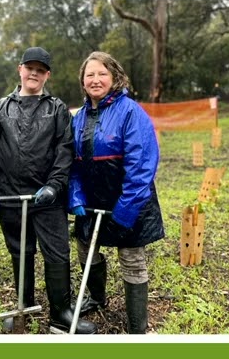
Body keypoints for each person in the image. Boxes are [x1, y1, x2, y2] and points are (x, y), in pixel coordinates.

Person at [0, 48, 95, 334]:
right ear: (20, 70)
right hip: (11, 197)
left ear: (47, 75)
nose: (34, 73)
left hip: (47, 198)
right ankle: (23, 306)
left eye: (40, 70)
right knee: (20, 252)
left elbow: (65, 149)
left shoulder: (56, 109)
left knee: (56, 253)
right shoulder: (0, 108)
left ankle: (61, 313)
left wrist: (54, 185)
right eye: (29, 68)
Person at [69, 51, 163, 334]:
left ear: (114, 77)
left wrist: (125, 210)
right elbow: (72, 163)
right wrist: (76, 196)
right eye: (90, 75)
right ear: (83, 81)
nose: (95, 79)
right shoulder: (78, 117)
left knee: (131, 259)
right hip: (91, 201)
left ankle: (137, 324)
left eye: (102, 74)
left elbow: (141, 165)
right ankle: (96, 298)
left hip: (127, 200)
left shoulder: (131, 112)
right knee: (86, 251)